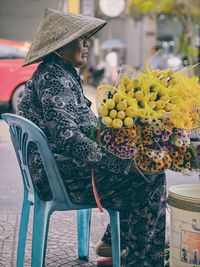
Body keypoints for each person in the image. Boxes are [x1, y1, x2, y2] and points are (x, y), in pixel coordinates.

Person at [18, 8, 166, 267]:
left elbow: (84, 128)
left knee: (141, 169)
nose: (87, 43)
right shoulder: (53, 78)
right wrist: (120, 163)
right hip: (59, 178)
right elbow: (68, 139)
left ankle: (119, 246)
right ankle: (135, 257)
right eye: (80, 38)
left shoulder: (62, 73)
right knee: (149, 178)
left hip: (59, 169)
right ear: (61, 45)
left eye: (87, 38)